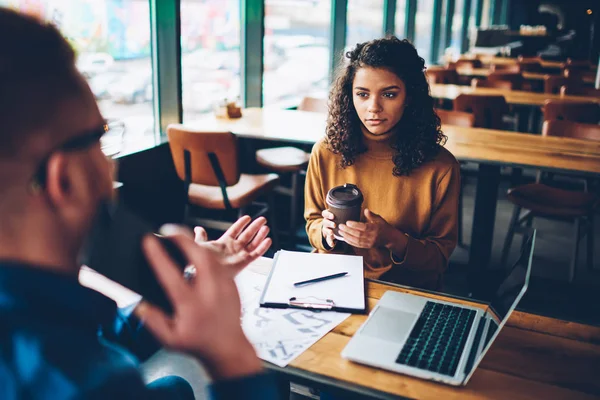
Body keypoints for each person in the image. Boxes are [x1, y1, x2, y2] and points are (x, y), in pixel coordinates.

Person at [0, 8, 278, 399]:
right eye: (100, 136)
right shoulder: (83, 382)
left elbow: (88, 327)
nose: (106, 156)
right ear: (65, 178)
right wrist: (232, 356)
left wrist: (177, 290)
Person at [305, 36, 460, 291]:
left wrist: (392, 239)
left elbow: (439, 258)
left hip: (403, 287)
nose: (373, 108)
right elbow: (312, 222)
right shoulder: (325, 152)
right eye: (362, 94)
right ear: (349, 95)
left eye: (389, 94)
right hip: (333, 280)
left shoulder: (441, 168)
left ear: (409, 96)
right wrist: (326, 233)